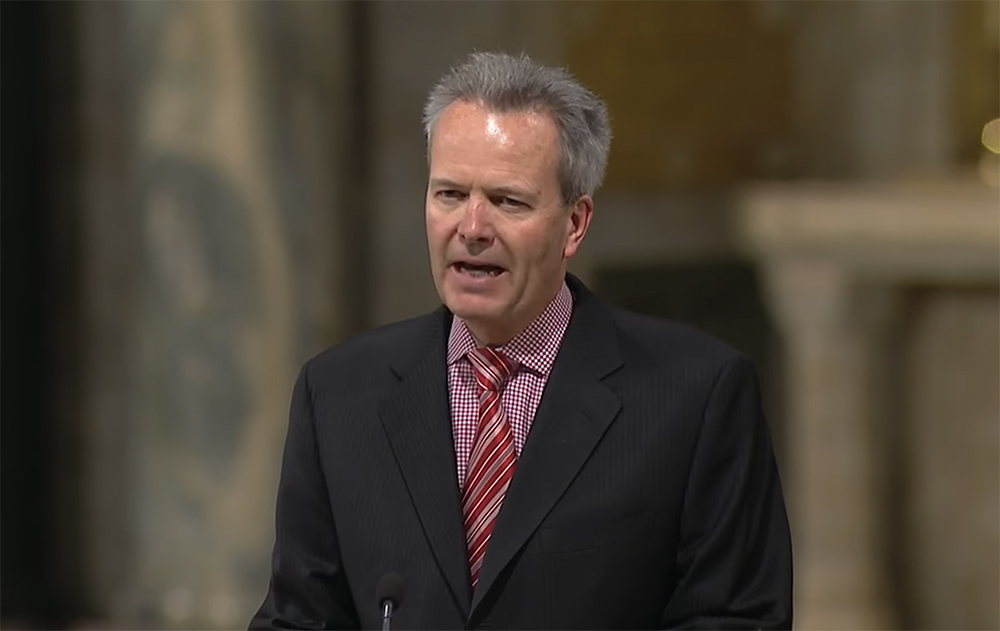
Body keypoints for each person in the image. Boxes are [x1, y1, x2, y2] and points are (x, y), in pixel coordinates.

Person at [250, 51, 792, 630]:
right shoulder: (338, 392)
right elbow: (297, 618)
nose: (473, 228)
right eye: (449, 195)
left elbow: (736, 619)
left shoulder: (695, 395)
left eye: (508, 201)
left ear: (575, 224)